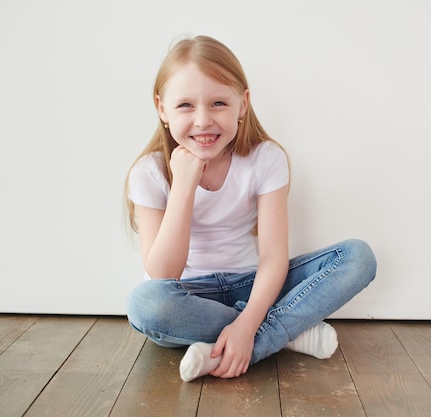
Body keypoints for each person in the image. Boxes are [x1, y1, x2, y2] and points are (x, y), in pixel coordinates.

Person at [125, 34, 377, 382]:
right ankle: (288, 331)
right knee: (145, 305)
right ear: (162, 108)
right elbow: (163, 274)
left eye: (218, 104)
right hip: (188, 296)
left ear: (242, 104)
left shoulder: (266, 159)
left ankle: (249, 341)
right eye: (185, 105)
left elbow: (274, 257)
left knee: (358, 257)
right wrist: (183, 185)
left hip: (253, 284)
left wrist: (248, 324)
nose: (202, 120)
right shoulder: (149, 172)